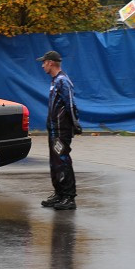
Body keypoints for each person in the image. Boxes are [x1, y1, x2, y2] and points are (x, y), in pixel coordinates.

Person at [37, 50, 81, 210]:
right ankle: (59, 193)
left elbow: (70, 104)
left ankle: (69, 197)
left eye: (44, 62)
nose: (42, 65)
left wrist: (75, 123)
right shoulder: (55, 81)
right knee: (54, 162)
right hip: (54, 130)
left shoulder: (63, 81)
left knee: (62, 160)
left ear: (50, 62)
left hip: (62, 130)